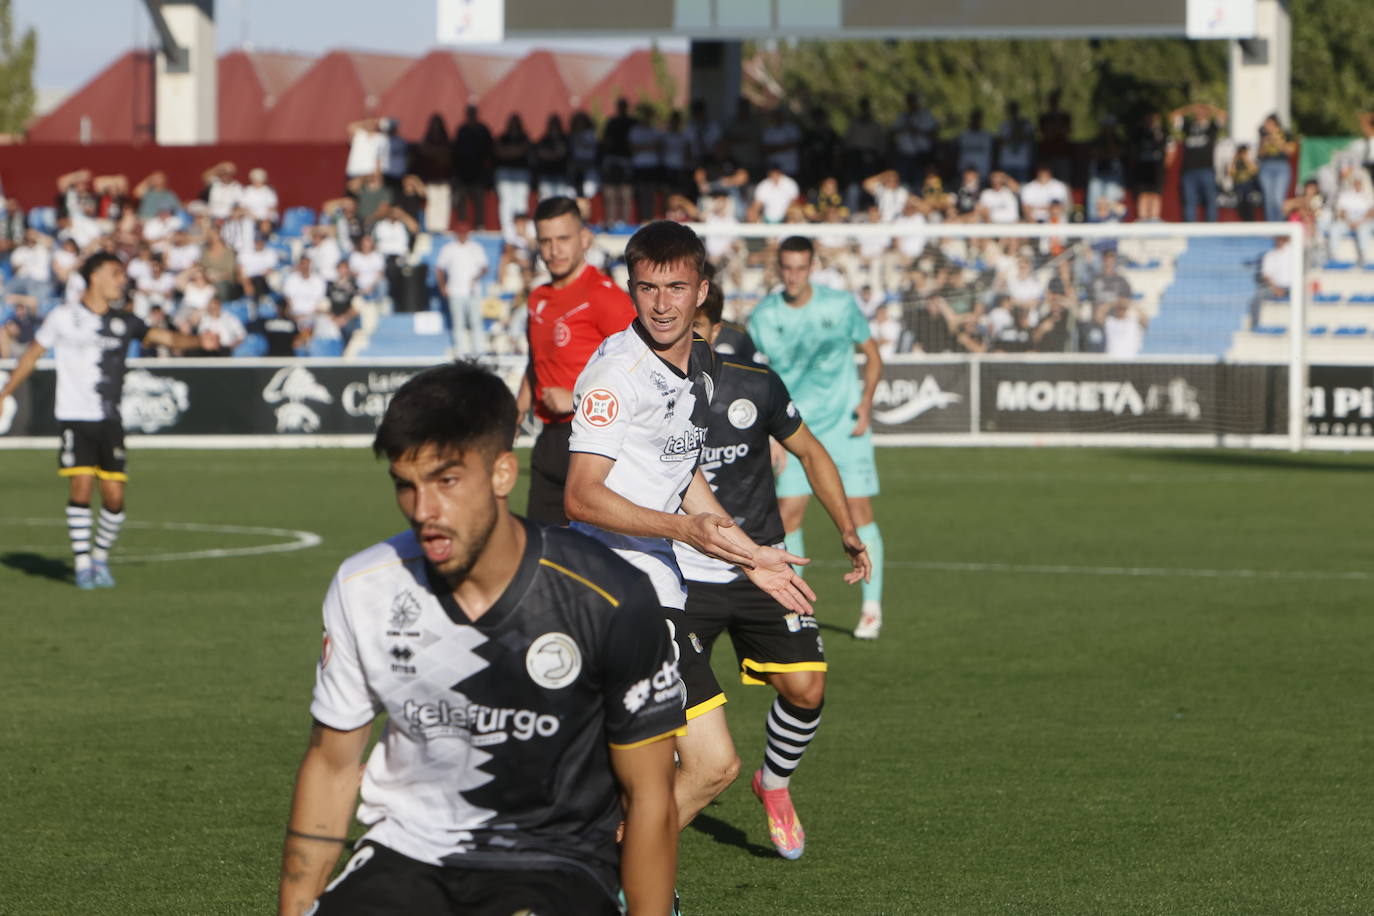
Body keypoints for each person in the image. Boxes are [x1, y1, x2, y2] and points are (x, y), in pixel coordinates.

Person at [278, 362, 683, 916]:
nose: (424, 512)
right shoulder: (363, 586)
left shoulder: (611, 596)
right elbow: (331, 764)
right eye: (407, 485)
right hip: (406, 856)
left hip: (554, 860)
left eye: (446, 482)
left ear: (501, 474)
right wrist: (297, 907)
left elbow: (650, 797)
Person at [563, 221, 815, 847]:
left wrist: (749, 554)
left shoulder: (699, 361)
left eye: (676, 287)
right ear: (631, 289)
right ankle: (613, 876)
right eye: (647, 288)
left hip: (659, 582)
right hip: (618, 591)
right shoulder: (615, 377)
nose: (662, 303)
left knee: (681, 767)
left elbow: (683, 471)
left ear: (702, 290)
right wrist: (686, 530)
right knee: (705, 765)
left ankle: (615, 874)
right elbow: (581, 495)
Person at [680, 279, 871, 858]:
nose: (687, 342)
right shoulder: (648, 391)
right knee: (666, 732)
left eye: (698, 331)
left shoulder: (754, 385)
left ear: (717, 329)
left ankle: (776, 784)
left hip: (762, 563)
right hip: (679, 572)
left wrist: (846, 529)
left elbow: (811, 450)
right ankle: (633, 844)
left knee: (807, 688)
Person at [0, 252, 213, 589]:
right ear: (95, 275)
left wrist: (199, 341)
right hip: (73, 418)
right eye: (115, 273)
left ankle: (100, 556)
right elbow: (30, 357)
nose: (121, 280)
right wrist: (5, 393)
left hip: (109, 420)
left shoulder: (124, 321)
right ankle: (83, 564)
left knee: (114, 496)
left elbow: (167, 338)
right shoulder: (62, 317)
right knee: (80, 487)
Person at [747, 236, 886, 639]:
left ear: (811, 267)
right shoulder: (764, 316)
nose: (793, 276)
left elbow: (872, 355)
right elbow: (757, 378)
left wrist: (866, 401)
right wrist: (768, 432)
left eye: (800, 268)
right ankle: (796, 608)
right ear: (778, 268)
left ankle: (872, 608)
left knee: (858, 512)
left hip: (843, 426)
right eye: (786, 268)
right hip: (794, 429)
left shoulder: (840, 306)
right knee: (789, 513)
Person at [516, 196, 635, 525]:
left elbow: (640, 367)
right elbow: (535, 362)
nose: (554, 250)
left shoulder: (605, 296)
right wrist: (515, 412)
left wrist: (577, 398)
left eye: (563, 239)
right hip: (548, 440)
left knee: (595, 560)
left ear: (584, 239)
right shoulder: (537, 298)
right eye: (545, 241)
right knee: (541, 554)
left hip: (595, 439)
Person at [435, 224, 490, 356]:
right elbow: (439, 268)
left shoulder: (476, 248)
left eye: (464, 233)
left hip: (473, 291)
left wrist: (476, 277)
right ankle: (461, 352)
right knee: (458, 322)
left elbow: (484, 267)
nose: (462, 236)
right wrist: (442, 286)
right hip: (455, 291)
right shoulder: (448, 249)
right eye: (460, 233)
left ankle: (479, 351)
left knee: (476, 321)